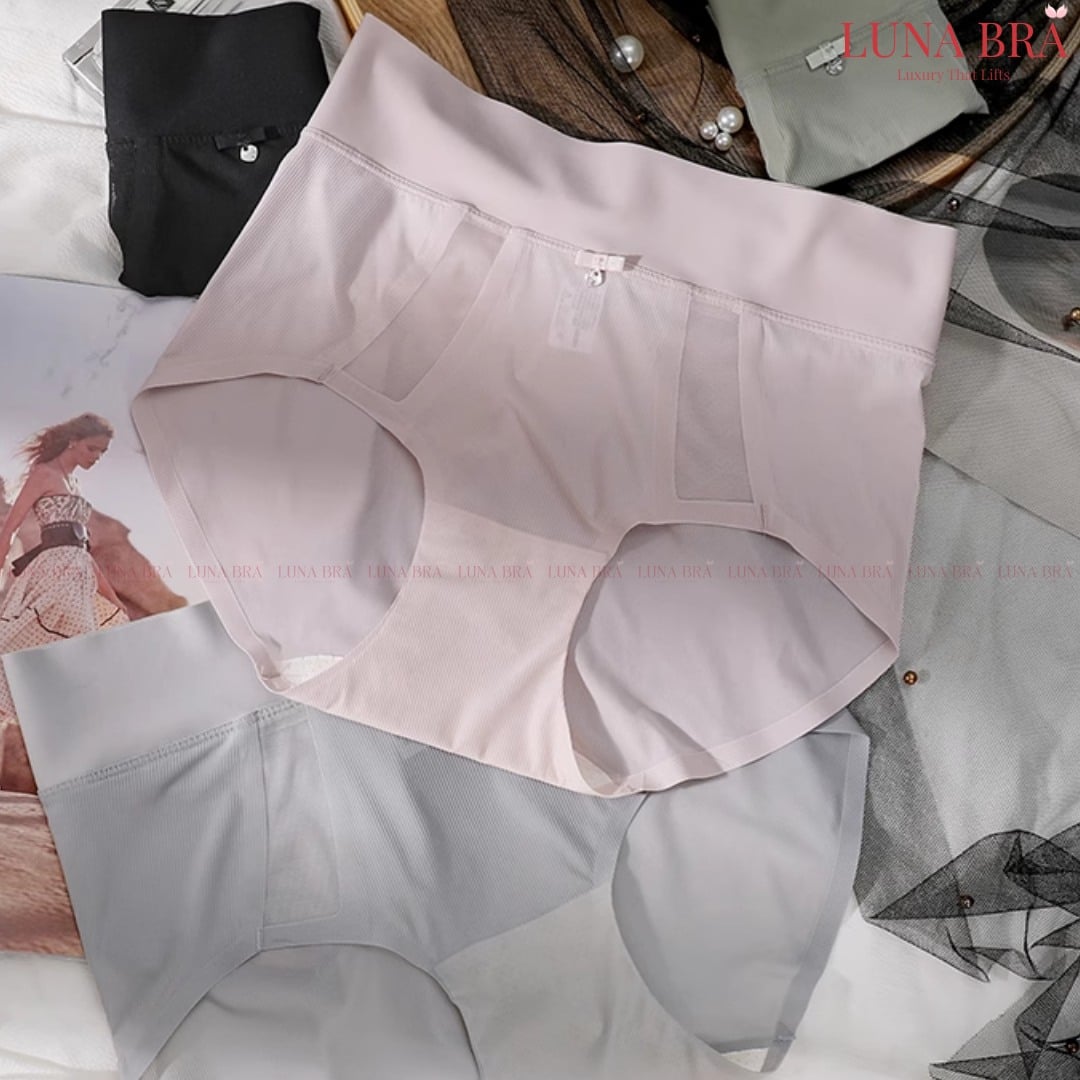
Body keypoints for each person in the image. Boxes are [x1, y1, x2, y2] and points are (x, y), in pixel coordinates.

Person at [0, 414, 128, 791]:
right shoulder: (43, 474)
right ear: (73, 441)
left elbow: (82, 549)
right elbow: (10, 527)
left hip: (78, 575)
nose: (96, 457)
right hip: (53, 576)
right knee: (64, 658)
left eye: (102, 453)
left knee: (74, 665)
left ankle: (71, 767)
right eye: (92, 449)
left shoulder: (74, 483)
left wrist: (112, 596)